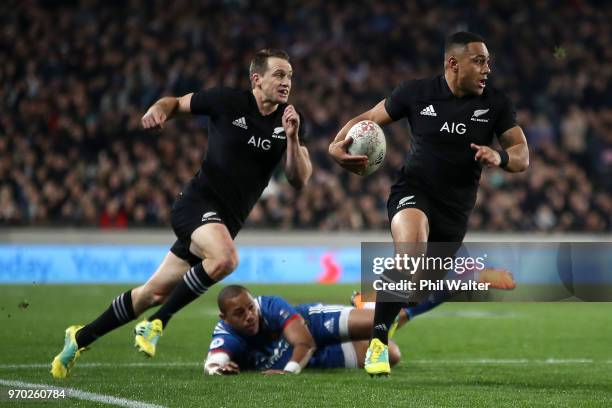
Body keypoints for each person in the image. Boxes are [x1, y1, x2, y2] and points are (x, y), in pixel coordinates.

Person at [51, 49, 312, 378]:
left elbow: (299, 179)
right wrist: (157, 109)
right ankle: (158, 323)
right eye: (279, 74)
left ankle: (79, 337)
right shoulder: (226, 101)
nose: (286, 82)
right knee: (226, 259)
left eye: (289, 76)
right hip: (196, 205)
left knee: (152, 293)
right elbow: (174, 103)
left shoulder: (289, 121)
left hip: (223, 223)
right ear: (256, 79)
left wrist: (292, 139)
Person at [328, 31, 529, 376]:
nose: (487, 69)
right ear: (454, 63)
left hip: (455, 211)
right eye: (479, 61)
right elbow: (370, 119)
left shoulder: (496, 103)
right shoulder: (415, 93)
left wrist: (498, 156)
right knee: (411, 252)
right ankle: (377, 344)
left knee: (419, 289)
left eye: (488, 62)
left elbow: (522, 155)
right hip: (413, 191)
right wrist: (336, 145)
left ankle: (371, 303)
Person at [203, 285, 402, 375]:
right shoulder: (226, 334)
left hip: (311, 325)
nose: (249, 316)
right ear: (225, 319)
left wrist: (288, 372)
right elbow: (213, 361)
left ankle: (364, 304)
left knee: (383, 320)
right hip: (310, 358)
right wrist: (217, 370)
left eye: (251, 308)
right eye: (239, 313)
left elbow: (305, 343)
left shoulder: (271, 306)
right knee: (392, 354)